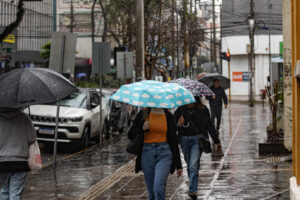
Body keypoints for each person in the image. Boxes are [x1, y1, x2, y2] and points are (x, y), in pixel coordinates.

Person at [128, 108, 183, 200]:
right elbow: (130, 134)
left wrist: (179, 165)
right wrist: (142, 128)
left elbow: (174, 141)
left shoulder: (168, 116)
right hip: (147, 153)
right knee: (152, 194)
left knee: (158, 188)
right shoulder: (143, 114)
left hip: (164, 153)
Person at [175, 97, 221, 200]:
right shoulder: (180, 110)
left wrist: (216, 140)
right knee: (189, 164)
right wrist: (178, 123)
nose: (190, 103)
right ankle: (192, 183)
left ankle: (193, 191)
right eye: (188, 101)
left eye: (192, 101)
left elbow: (209, 125)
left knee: (193, 165)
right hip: (184, 140)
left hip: (198, 140)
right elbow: (173, 126)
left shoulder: (203, 109)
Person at [0, 108, 36, 200]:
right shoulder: (24, 118)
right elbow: (32, 139)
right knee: (15, 194)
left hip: (2, 163)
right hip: (20, 163)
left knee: (5, 191)